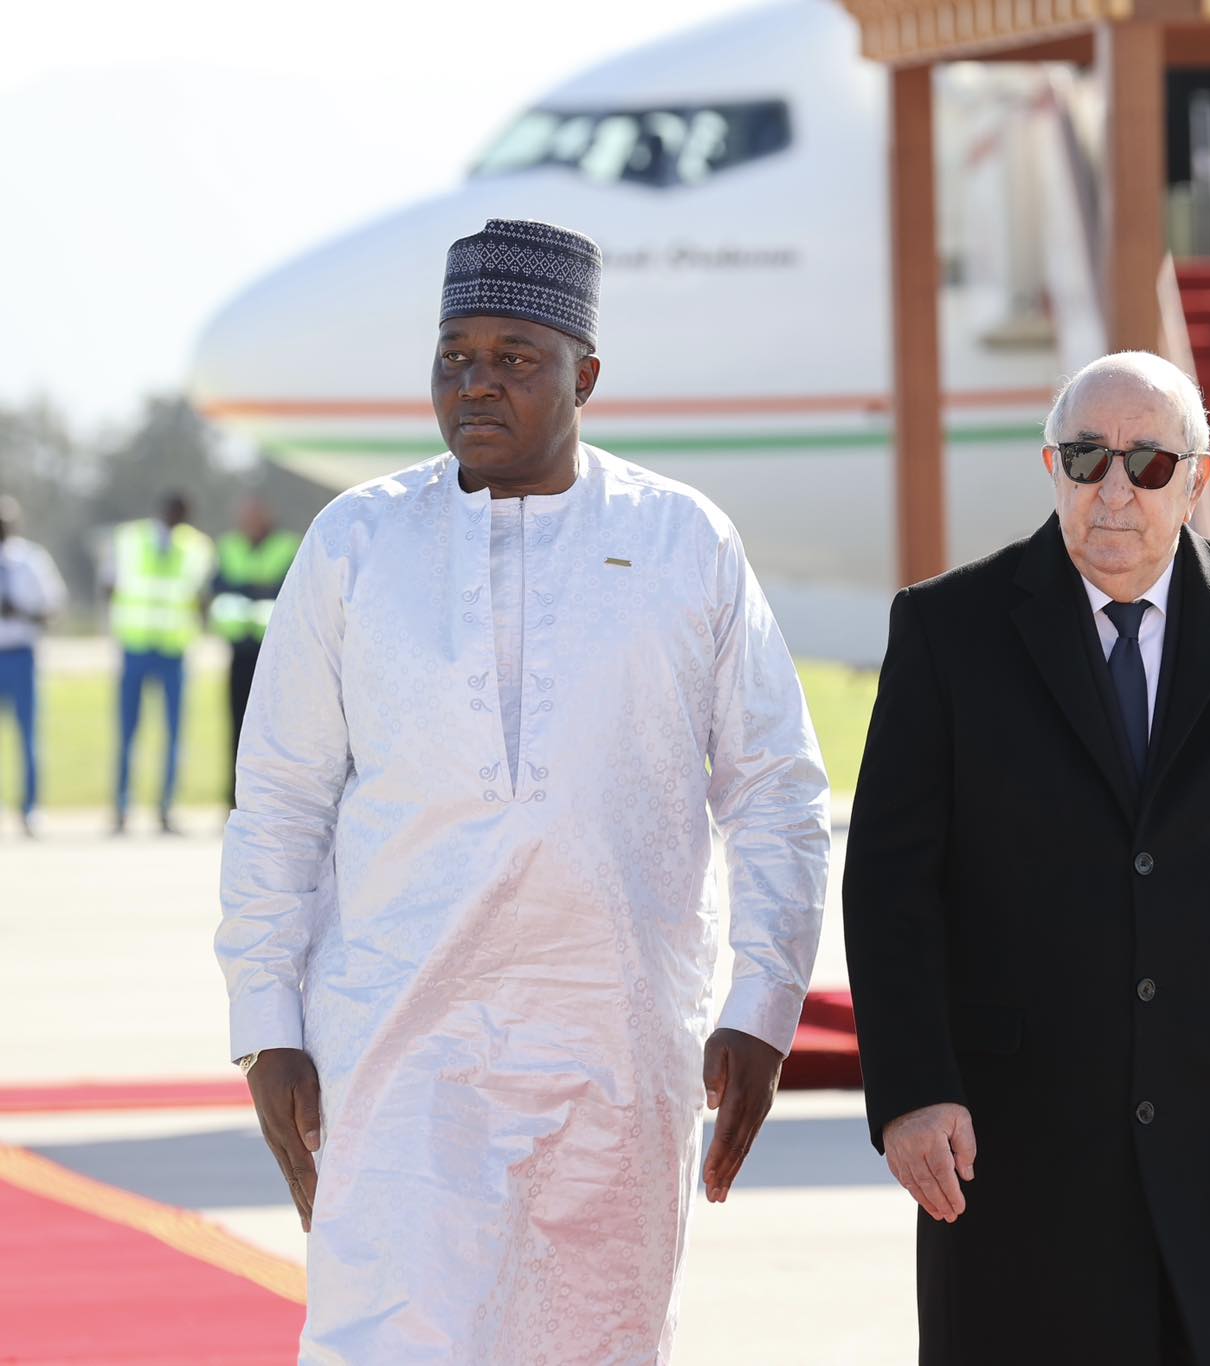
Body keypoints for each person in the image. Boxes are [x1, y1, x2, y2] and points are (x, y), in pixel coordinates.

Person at [215, 218, 831, 1363]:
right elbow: (282, 802)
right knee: (384, 1342)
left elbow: (775, 789)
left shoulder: (682, 540)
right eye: (455, 357)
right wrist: (266, 1026)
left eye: (514, 358)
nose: (476, 386)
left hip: (616, 1045)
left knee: (596, 1343)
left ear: (584, 374)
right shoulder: (356, 543)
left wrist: (762, 1005)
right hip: (397, 1045)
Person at [842, 350, 1210, 1366]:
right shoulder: (945, 628)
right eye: (1086, 457)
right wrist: (912, 1088)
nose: (1113, 490)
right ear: (1048, 466)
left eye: (1146, 463)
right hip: (1013, 1133)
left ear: (1198, 477)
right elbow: (889, 883)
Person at [107, 491, 213, 834]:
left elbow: (200, 598)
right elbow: (108, 586)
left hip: (173, 649)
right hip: (135, 645)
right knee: (127, 731)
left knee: (174, 733)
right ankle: (122, 808)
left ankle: (166, 809)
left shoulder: (197, 546)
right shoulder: (129, 539)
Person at [208, 495, 298, 808]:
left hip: (276, 655)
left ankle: (272, 798)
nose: (247, 523)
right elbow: (217, 588)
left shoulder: (287, 546)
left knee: (278, 730)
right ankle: (234, 798)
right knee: (237, 726)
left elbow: (290, 590)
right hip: (240, 651)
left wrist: (246, 588)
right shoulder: (229, 546)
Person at [0, 495, 68, 837]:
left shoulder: (31, 560)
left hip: (20, 654)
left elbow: (53, 608)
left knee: (27, 735)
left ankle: (29, 809)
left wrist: (22, 611)